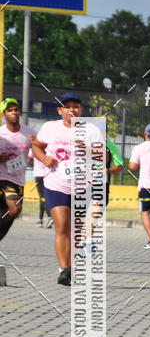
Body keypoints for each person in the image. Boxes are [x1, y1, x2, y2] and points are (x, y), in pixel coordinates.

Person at [33, 92, 103, 286]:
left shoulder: (91, 130)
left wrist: (87, 149)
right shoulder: (50, 128)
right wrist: (43, 158)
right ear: (59, 110)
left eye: (76, 106)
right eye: (67, 107)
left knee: (77, 231)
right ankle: (64, 269)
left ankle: (70, 266)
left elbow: (103, 157)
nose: (72, 110)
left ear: (81, 110)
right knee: (62, 225)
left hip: (82, 186)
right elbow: (36, 146)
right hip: (56, 184)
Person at [0, 98, 36, 241]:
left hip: (19, 181)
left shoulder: (29, 132)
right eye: (10, 110)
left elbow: (37, 149)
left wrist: (32, 156)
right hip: (2, 178)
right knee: (15, 208)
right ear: (4, 115)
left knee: (11, 215)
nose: (14, 112)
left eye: (16, 109)